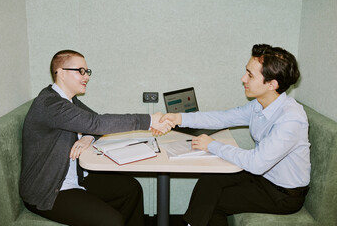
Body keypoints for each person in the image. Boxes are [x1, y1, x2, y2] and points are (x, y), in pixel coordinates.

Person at [160, 44, 310, 226]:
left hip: (282, 194)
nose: (243, 79)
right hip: (264, 176)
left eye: (250, 75)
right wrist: (179, 118)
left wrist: (212, 145)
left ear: (272, 84)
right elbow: (224, 118)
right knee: (210, 179)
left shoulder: (291, 119)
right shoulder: (260, 104)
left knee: (213, 204)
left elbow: (256, 163)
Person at [19, 49, 173, 226]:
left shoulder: (69, 101)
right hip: (50, 188)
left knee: (132, 189)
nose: (87, 77)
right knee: (112, 221)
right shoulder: (50, 104)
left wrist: (88, 138)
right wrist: (149, 120)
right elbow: (96, 123)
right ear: (61, 73)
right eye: (81, 71)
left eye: (87, 71)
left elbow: (92, 122)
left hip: (75, 176)